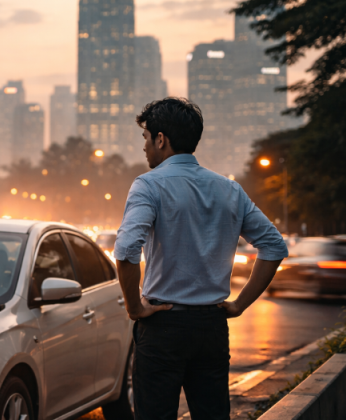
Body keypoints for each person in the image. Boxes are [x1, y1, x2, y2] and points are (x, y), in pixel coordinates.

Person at [114, 98, 288, 420]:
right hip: (211, 326)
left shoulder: (149, 186)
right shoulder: (229, 190)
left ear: (161, 139)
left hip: (162, 326)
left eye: (146, 138)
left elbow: (125, 251)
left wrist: (135, 308)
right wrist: (239, 304)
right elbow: (274, 247)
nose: (144, 148)